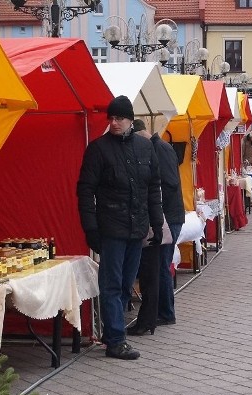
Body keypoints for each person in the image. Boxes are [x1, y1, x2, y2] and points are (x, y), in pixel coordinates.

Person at [77, 95, 164, 360]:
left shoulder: (145, 148)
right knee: (112, 284)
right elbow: (85, 191)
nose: (114, 123)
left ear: (129, 120)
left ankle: (113, 332)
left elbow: (153, 187)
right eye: (111, 118)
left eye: (120, 118)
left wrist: (156, 222)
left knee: (126, 284)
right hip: (111, 228)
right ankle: (115, 339)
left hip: (136, 228)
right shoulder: (98, 149)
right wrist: (91, 229)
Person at [127, 120, 185, 335]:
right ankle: (163, 312)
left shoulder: (159, 149)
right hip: (169, 216)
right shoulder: (160, 147)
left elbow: (169, 183)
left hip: (169, 217)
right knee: (160, 266)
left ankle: (166, 313)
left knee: (160, 267)